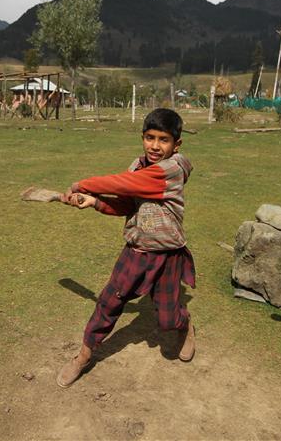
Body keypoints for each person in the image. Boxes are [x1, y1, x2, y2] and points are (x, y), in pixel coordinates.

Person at [57, 108, 195, 388]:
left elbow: (125, 183)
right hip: (137, 250)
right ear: (142, 137)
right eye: (149, 137)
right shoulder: (138, 166)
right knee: (109, 301)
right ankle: (83, 356)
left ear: (176, 144)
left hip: (167, 255)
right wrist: (93, 201)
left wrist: (82, 184)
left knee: (168, 319)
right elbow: (124, 202)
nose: (155, 146)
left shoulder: (172, 169)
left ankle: (186, 326)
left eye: (163, 140)